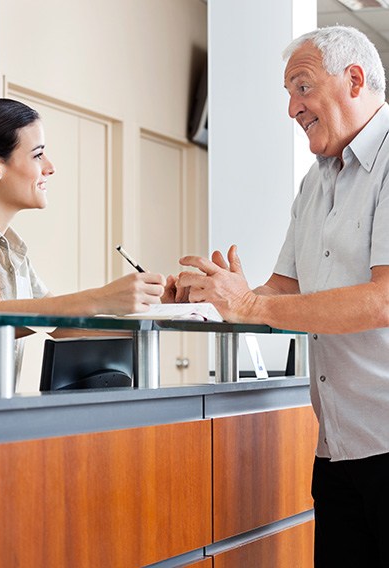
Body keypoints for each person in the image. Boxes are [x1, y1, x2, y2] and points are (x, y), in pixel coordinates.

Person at [177, 26, 389, 568]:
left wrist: (251, 305)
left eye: (301, 87)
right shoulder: (315, 181)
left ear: (355, 80)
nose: (291, 108)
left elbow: (383, 300)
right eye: (289, 93)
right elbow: (280, 292)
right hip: (338, 448)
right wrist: (213, 297)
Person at [0, 98, 166, 395]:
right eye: (38, 155)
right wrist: (101, 297)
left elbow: (61, 325)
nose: (50, 167)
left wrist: (159, 309)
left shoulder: (11, 251)